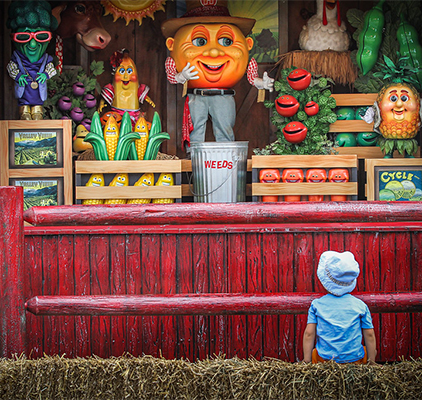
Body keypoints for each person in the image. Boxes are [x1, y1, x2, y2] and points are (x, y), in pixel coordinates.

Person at [161, 0, 274, 151]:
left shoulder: (248, 60)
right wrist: (181, 76)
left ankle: (225, 161)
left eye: (226, 41)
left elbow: (252, 77)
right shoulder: (171, 61)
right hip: (196, 96)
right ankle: (193, 161)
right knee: (195, 131)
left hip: (223, 97)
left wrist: (261, 83)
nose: (214, 52)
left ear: (248, 44)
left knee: (225, 129)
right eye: (200, 41)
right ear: (171, 45)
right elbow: (171, 77)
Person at [302, 251, 377, 365]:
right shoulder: (360, 305)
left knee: (315, 353)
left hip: (325, 360)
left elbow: (309, 334)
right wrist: (372, 362)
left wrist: (306, 361)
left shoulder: (316, 305)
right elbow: (370, 334)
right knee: (365, 351)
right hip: (355, 360)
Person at [7, 0, 58, 120]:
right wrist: (18, 76)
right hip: (24, 89)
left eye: (41, 36)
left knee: (37, 106)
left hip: (38, 92)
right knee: (24, 102)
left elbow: (51, 69)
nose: (33, 44)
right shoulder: (17, 58)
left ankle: (37, 111)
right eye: (24, 37)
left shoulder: (46, 59)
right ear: (13, 38)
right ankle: (24, 111)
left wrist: (46, 75)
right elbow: (11, 67)